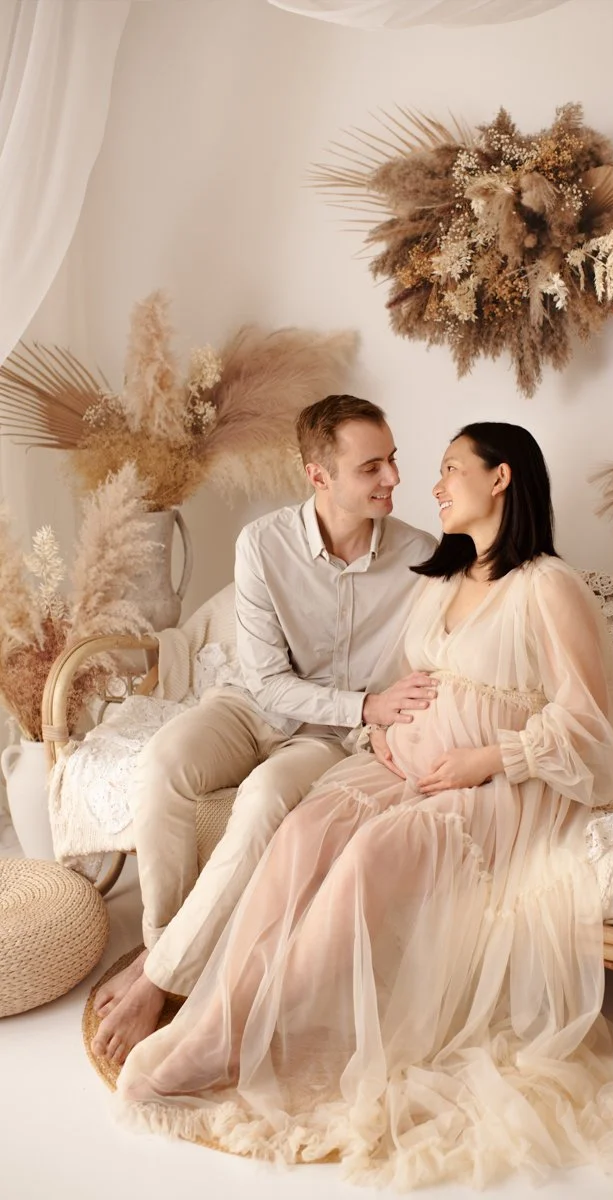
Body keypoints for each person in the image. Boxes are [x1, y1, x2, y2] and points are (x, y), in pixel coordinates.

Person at [116, 422, 613, 1187]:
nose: (435, 485)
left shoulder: (548, 585)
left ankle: (267, 1037)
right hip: (402, 764)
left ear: (502, 479)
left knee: (368, 859)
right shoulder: (443, 576)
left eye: (451, 469)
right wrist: (385, 733)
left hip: (497, 788)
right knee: (301, 829)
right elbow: (410, 682)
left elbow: (591, 731)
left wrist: (489, 758)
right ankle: (222, 1020)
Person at [91, 395, 437, 1065]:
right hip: (248, 707)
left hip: (322, 739)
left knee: (262, 804)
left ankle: (159, 983)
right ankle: (167, 948)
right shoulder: (263, 545)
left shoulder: (424, 557)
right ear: (319, 477)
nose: (394, 478)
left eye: (392, 460)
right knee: (163, 762)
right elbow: (269, 682)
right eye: (372, 467)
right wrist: (369, 705)